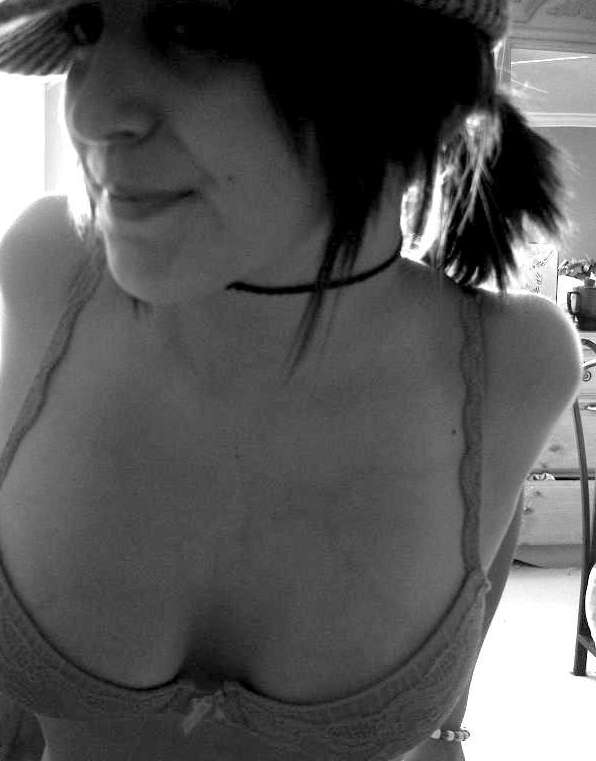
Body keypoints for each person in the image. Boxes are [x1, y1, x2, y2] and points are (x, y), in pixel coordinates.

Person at [0, 0, 583, 759]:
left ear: (410, 88)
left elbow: (467, 608)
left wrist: (445, 727)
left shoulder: (514, 362)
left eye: (193, 28)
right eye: (87, 28)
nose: (88, 112)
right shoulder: (44, 268)